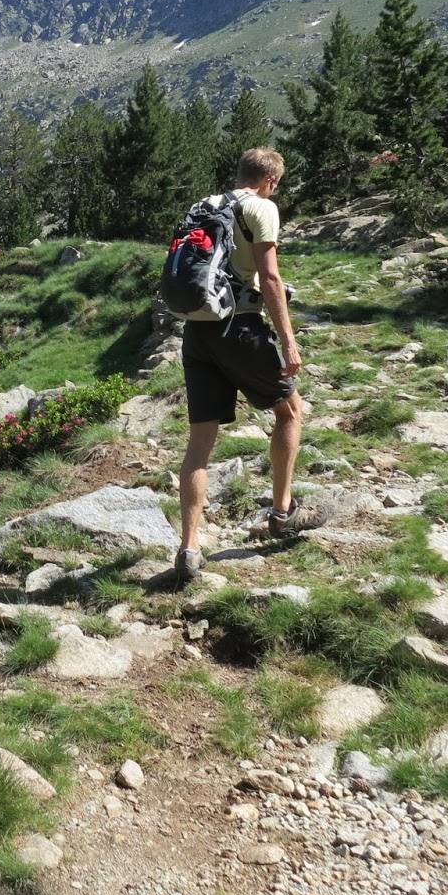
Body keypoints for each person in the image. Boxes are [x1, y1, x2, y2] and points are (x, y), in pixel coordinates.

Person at [174, 147, 323, 584]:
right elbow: (269, 274)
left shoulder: (204, 205)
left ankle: (189, 548)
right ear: (270, 180)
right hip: (238, 328)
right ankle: (283, 512)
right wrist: (289, 341)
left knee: (200, 443)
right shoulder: (262, 207)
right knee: (290, 411)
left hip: (197, 330)